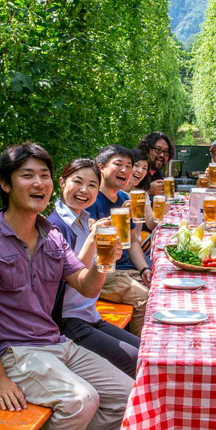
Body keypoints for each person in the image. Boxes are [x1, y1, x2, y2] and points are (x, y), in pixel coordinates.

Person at [0, 142, 132, 430]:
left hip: (56, 342)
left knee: (128, 394)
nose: (39, 183)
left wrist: (103, 259)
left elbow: (84, 287)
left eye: (44, 175)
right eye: (27, 176)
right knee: (81, 399)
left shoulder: (53, 237)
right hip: (17, 352)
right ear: (6, 184)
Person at [48, 158, 141, 378]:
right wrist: (94, 243)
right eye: (77, 182)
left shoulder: (84, 220)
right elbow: (71, 278)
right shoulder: (56, 227)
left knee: (146, 351)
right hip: (68, 323)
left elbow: (98, 270)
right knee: (139, 362)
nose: (84, 190)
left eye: (92, 185)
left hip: (90, 315)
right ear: (62, 182)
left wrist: (111, 251)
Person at [86, 145, 151, 336]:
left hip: (126, 269)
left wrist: (145, 269)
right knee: (145, 299)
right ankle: (141, 354)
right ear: (101, 168)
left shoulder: (124, 198)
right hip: (103, 273)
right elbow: (91, 243)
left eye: (129, 165)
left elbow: (131, 242)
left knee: (161, 286)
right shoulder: (91, 200)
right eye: (118, 164)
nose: (125, 170)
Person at [136, 131, 174, 198]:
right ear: (147, 150)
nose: (162, 155)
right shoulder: (138, 170)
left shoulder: (158, 173)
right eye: (158, 150)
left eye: (166, 152)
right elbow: (124, 193)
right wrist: (149, 190)